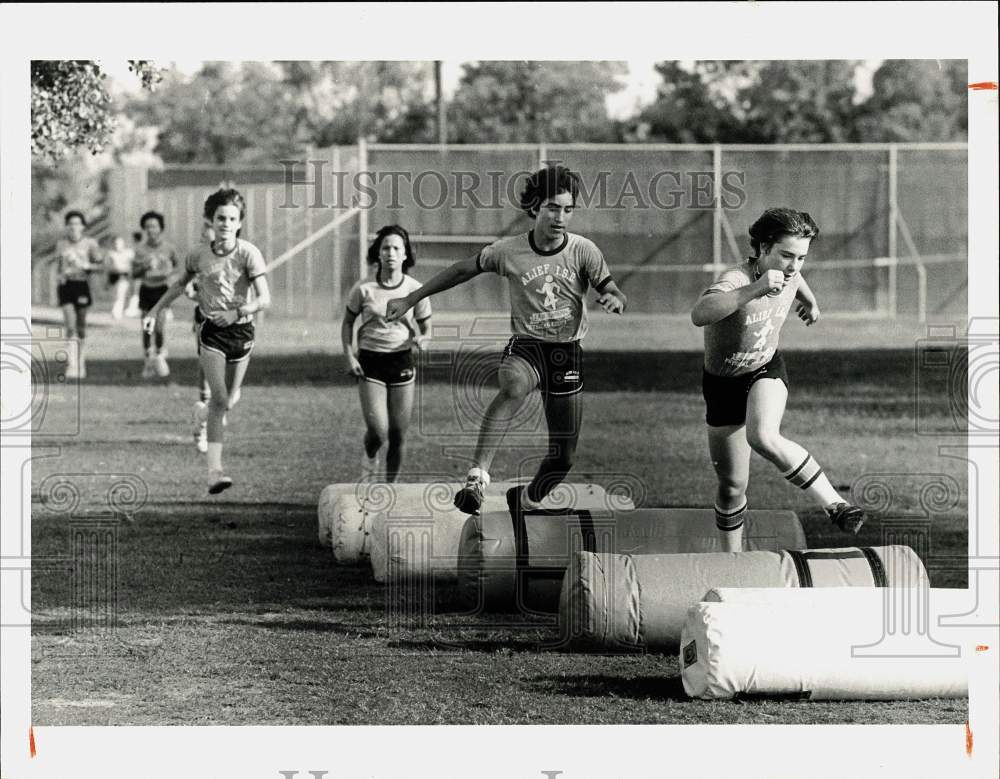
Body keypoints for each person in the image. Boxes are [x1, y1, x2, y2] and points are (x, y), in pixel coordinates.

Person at [386, 164, 627, 515]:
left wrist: (615, 298)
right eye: (552, 208)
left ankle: (527, 500)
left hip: (567, 353)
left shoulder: (584, 251)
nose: (560, 217)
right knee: (513, 386)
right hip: (527, 346)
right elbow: (461, 270)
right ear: (534, 208)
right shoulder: (509, 250)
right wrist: (411, 298)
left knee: (564, 458)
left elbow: (612, 288)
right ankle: (476, 479)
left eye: (568, 209)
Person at [690, 207, 866, 552]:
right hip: (722, 386)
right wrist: (754, 289)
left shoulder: (790, 274)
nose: (794, 265)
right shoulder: (738, 279)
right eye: (786, 255)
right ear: (762, 247)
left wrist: (811, 305)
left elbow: (798, 281)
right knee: (731, 485)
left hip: (765, 370)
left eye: (801, 257)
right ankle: (732, 559)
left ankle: (836, 505)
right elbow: (700, 314)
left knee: (764, 436)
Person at [143, 188, 271, 495]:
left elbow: (265, 298)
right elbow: (179, 285)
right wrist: (155, 309)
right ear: (210, 221)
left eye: (231, 218)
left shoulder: (248, 253)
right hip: (211, 331)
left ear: (240, 222)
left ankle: (201, 413)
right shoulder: (198, 254)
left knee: (230, 398)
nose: (225, 223)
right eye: (220, 218)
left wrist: (239, 311)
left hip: (241, 331)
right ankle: (215, 472)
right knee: (221, 400)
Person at [342, 225, 431, 483]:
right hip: (370, 362)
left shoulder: (416, 289)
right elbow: (347, 322)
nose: (390, 253)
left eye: (396, 248)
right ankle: (369, 462)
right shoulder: (364, 289)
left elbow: (426, 325)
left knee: (398, 434)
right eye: (385, 248)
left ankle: (390, 488)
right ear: (377, 254)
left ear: (405, 255)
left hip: (401, 361)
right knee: (378, 432)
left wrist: (424, 338)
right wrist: (349, 355)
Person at [51, 210, 103, 379]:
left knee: (81, 327)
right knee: (70, 325)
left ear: (82, 226)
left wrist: (87, 265)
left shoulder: (90, 243)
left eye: (77, 223)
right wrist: (60, 277)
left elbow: (100, 265)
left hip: (82, 286)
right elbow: (58, 268)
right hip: (66, 286)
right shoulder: (61, 244)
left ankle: (81, 363)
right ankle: (72, 365)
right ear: (67, 226)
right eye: (70, 223)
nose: (74, 227)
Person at [133, 211, 180, 379]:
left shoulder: (169, 248)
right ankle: (148, 360)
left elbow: (176, 267)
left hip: (162, 289)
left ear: (160, 228)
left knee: (159, 327)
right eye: (148, 226)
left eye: (154, 226)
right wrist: (144, 267)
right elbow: (134, 273)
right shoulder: (140, 249)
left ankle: (159, 356)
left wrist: (168, 270)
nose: (151, 229)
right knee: (147, 328)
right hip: (147, 289)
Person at [185, 220, 215, 453]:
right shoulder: (198, 261)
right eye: (204, 238)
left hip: (232, 324)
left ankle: (209, 409)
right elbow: (187, 288)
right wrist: (198, 297)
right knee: (206, 363)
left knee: (233, 384)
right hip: (205, 318)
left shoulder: (237, 257)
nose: (208, 241)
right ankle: (205, 408)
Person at [105, 234, 135, 320]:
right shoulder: (111, 254)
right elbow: (108, 267)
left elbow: (133, 265)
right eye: (116, 243)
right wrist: (107, 281)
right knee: (115, 295)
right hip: (114, 276)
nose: (117, 245)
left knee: (120, 294)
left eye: (119, 243)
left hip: (124, 276)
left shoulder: (129, 253)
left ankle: (117, 312)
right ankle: (116, 311)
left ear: (123, 243)